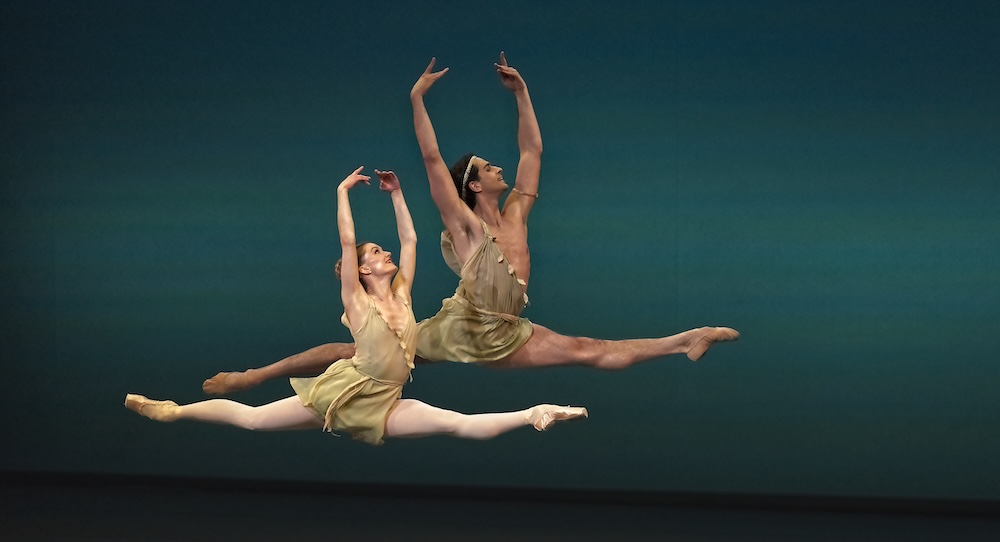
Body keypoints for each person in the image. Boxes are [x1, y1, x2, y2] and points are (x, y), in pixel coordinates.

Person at [201, 53, 738, 396]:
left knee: (586, 349)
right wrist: (416, 99)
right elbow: (433, 160)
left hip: (505, 330)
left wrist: (522, 94)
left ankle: (685, 340)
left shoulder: (517, 212)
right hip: (465, 327)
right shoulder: (464, 227)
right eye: (487, 167)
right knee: (355, 351)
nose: (499, 168)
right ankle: (254, 376)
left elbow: (532, 150)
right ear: (474, 186)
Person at [126, 167, 587, 445]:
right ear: (362, 270)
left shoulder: (402, 294)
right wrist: (343, 193)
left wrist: (397, 195)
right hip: (344, 390)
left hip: (384, 401)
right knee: (252, 421)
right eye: (376, 254)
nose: (385, 254)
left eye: (382, 251)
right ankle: (174, 410)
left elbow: (410, 239)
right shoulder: (357, 301)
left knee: (458, 425)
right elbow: (348, 241)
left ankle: (535, 413)